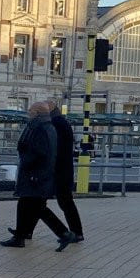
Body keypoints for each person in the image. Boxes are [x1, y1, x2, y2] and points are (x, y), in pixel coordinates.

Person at [4, 101, 73, 249]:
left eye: (30, 110)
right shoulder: (47, 127)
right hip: (40, 174)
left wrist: (27, 161)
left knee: (29, 205)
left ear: (36, 113)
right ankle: (23, 234)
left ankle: (22, 237)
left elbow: (39, 152)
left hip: (35, 174)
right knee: (35, 206)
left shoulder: (40, 128)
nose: (28, 112)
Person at [50, 103, 84, 242]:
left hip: (59, 169)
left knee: (64, 201)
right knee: (63, 201)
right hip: (63, 168)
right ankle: (25, 231)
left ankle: (74, 232)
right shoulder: (62, 122)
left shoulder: (57, 124)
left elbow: (56, 147)